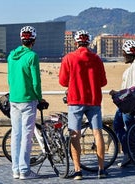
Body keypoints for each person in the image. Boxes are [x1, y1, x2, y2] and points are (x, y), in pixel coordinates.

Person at [59, 30, 108, 180]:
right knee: (97, 133)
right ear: (89, 42)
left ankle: (78, 170)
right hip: (94, 100)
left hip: (75, 100)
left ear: (76, 42)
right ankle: (101, 169)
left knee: (75, 134)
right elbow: (103, 82)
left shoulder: (69, 58)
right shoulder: (96, 59)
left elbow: (62, 81)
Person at [8, 26, 43, 180]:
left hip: (14, 99)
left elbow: (10, 79)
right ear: (33, 40)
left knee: (16, 135)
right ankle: (25, 170)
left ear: (21, 39)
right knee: (26, 136)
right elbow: (36, 82)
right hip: (28, 99)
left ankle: (15, 169)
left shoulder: (11, 56)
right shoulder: (32, 56)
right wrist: (39, 98)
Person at [110, 40, 135, 167]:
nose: (123, 56)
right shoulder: (134, 66)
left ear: (128, 53)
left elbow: (134, 87)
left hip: (130, 104)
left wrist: (119, 94)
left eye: (124, 54)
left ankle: (131, 155)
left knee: (130, 129)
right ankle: (128, 153)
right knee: (118, 125)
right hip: (125, 103)